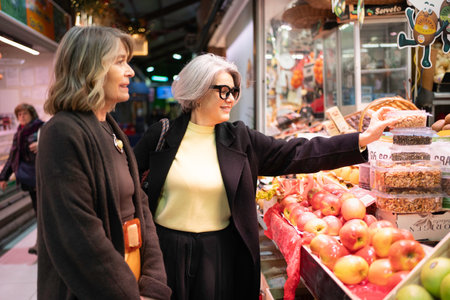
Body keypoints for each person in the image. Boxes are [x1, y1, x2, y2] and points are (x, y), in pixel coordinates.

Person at [133, 53, 399, 300]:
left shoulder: (240, 139)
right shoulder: (162, 135)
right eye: (223, 90)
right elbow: (129, 186)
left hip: (220, 254)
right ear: (198, 92)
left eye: (234, 92)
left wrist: (362, 139)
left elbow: (298, 153)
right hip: (166, 251)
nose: (230, 99)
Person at [36, 26, 171, 300]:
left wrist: (153, 284)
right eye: (119, 61)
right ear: (90, 68)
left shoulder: (108, 126)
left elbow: (140, 208)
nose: (131, 71)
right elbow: (77, 235)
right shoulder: (62, 132)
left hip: (130, 284)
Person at [0, 103, 44, 255]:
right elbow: (13, 157)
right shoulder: (19, 133)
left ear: (32, 114)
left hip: (43, 177)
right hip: (30, 180)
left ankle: (43, 244)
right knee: (39, 212)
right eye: (19, 115)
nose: (22, 117)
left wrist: (41, 144)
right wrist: (3, 177)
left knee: (43, 212)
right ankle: (42, 244)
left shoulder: (41, 128)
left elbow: (55, 146)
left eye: (24, 114)